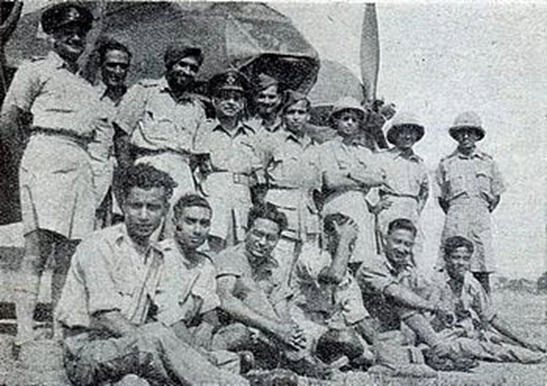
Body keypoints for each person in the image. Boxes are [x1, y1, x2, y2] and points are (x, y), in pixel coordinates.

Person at [56, 164, 249, 386]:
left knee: (220, 360)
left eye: (153, 207)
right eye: (136, 206)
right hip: (90, 352)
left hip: (134, 353)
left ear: (165, 210)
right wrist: (162, 346)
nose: (144, 216)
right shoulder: (100, 246)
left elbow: (170, 316)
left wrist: (194, 354)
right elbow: (107, 316)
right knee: (161, 340)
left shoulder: (158, 256)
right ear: (122, 205)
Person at [0, 3, 100, 357]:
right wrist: (22, 161)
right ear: (52, 35)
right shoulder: (35, 70)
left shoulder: (88, 84)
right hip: (44, 155)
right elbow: (9, 119)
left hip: (79, 163)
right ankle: (25, 331)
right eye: (66, 32)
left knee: (69, 254)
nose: (74, 38)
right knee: (37, 250)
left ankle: (59, 327)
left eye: (80, 33)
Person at [211, 203, 331, 379]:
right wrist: (276, 329)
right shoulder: (231, 256)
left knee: (307, 334)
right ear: (247, 232)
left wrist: (290, 332)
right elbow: (225, 300)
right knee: (248, 287)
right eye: (258, 234)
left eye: (270, 238)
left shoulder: (273, 266)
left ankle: (294, 356)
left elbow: (281, 308)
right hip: (227, 326)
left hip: (263, 330)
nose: (262, 242)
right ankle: (297, 359)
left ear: (278, 239)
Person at [355, 218, 476, 375]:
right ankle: (436, 351)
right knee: (400, 300)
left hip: (399, 333)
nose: (402, 249)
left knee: (430, 289)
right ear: (385, 239)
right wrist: (434, 307)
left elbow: (430, 286)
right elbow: (394, 293)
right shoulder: (372, 265)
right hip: (370, 331)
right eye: (397, 242)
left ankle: (429, 350)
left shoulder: (406, 269)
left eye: (408, 244)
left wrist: (444, 308)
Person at [114, 40, 207, 238]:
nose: (187, 71)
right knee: (141, 231)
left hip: (181, 173)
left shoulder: (197, 108)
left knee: (175, 235)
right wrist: (129, 175)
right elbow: (121, 136)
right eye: (182, 65)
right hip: (148, 165)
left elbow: (196, 155)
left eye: (193, 68)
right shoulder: (144, 91)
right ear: (170, 64)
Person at [427, 236, 545, 363]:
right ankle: (536, 357)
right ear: (446, 259)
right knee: (488, 349)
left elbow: (491, 317)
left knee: (500, 341)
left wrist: (524, 342)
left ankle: (530, 350)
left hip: (469, 333)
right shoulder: (432, 282)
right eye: (456, 257)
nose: (461, 263)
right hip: (440, 337)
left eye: (465, 259)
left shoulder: (471, 283)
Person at [290, 213, 376, 368]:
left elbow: (359, 317)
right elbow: (334, 275)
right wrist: (344, 241)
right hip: (301, 323)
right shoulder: (309, 255)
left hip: (329, 328)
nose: (350, 246)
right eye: (347, 239)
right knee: (345, 339)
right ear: (327, 236)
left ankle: (336, 359)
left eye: (353, 241)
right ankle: (329, 360)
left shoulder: (347, 275)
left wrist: (380, 345)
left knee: (367, 350)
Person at [436, 111, 506, 293]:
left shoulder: (488, 162)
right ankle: (453, 315)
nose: (465, 136)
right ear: (456, 135)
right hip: (456, 217)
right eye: (461, 132)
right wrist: (458, 210)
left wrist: (479, 210)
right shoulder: (446, 163)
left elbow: (496, 195)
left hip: (480, 218)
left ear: (477, 135)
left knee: (481, 269)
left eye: (470, 132)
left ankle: (484, 318)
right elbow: (442, 198)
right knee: (453, 267)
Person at [193, 70, 261, 251]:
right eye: (225, 97)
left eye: (236, 98)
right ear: (214, 101)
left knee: (237, 252)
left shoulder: (251, 134)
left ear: (243, 103)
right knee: (209, 250)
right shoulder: (204, 130)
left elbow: (258, 176)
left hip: (242, 200)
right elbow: (195, 165)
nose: (231, 102)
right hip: (213, 197)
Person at [320, 96, 387, 272]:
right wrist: (361, 180)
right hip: (338, 205)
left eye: (354, 120)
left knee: (362, 256)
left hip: (360, 208)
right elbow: (331, 181)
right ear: (336, 121)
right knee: (338, 255)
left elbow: (379, 178)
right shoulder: (326, 148)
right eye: (345, 119)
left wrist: (349, 174)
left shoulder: (364, 152)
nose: (349, 123)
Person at [263, 91, 322, 286]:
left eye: (301, 112)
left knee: (303, 275)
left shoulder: (316, 147)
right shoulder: (272, 142)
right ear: (283, 115)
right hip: (280, 214)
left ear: (308, 116)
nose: (296, 117)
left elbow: (319, 188)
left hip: (308, 218)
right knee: (275, 271)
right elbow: (259, 179)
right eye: (291, 112)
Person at [88, 38, 132, 227]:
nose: (118, 71)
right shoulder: (88, 97)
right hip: (93, 173)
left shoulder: (134, 99)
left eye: (123, 67)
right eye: (112, 65)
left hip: (123, 177)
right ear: (101, 65)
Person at [373, 112, 429, 258]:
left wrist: (416, 209)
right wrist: (376, 206)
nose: (407, 136)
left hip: (411, 210)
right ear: (395, 135)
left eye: (412, 132)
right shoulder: (382, 158)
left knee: (414, 253)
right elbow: (370, 186)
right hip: (390, 208)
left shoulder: (419, 163)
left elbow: (424, 192)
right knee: (387, 251)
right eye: (402, 132)